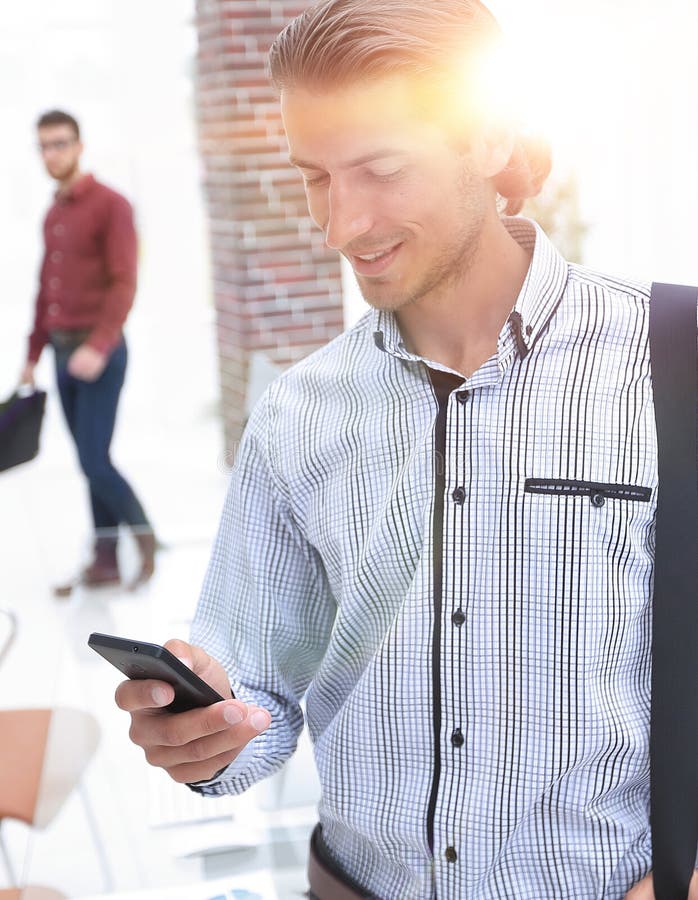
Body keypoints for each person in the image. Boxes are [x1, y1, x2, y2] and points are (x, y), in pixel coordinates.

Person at [114, 2, 697, 897]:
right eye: (315, 177)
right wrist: (209, 735)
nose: (341, 226)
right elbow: (263, 696)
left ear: (489, 137)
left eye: (382, 170)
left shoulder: (671, 361)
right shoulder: (299, 415)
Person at [20, 109, 156, 591]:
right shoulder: (54, 213)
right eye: (43, 146)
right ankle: (104, 562)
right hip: (60, 353)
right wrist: (32, 354)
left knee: (94, 459)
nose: (51, 154)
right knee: (88, 459)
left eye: (59, 143)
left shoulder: (111, 204)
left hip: (99, 353)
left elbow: (125, 281)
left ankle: (145, 539)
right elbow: (46, 289)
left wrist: (99, 344)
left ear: (79, 146)